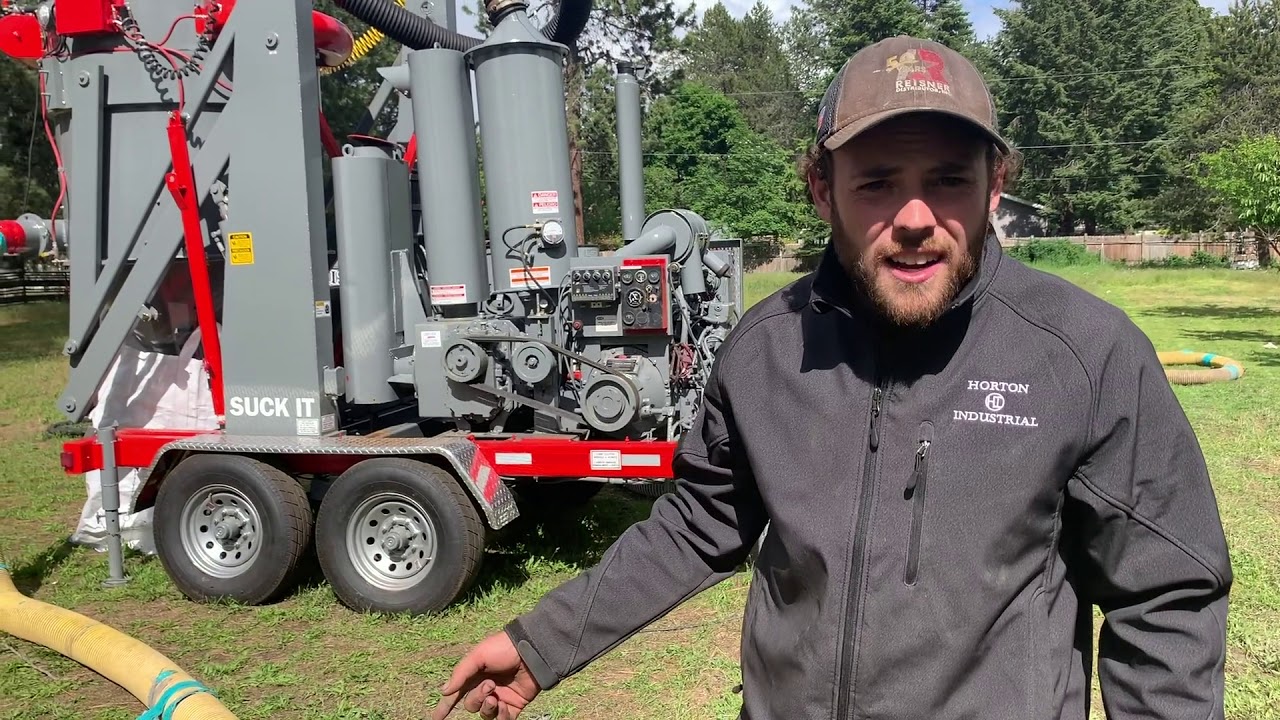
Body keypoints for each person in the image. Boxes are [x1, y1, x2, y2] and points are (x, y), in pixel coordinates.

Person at [432, 35, 1233, 720]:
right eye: (878, 181)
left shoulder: (1084, 356)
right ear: (824, 189)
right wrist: (542, 643)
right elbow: (697, 524)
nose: (915, 217)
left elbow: (1165, 594)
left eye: (949, 179)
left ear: (994, 185)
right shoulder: (765, 353)